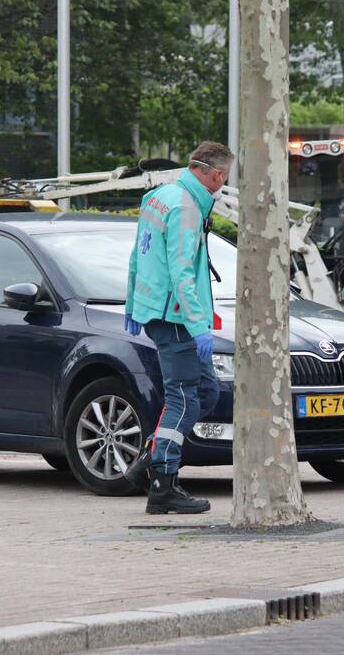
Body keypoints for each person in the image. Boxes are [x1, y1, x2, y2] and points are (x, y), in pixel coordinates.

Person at [122, 141, 234, 514]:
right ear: (216, 174)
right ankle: (162, 485)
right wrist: (196, 324)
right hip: (175, 317)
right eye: (225, 176)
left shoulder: (160, 196)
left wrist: (132, 302)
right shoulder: (186, 208)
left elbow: (138, 252)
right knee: (185, 398)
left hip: (161, 310)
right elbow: (181, 271)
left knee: (206, 392)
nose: (224, 182)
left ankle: (150, 461)